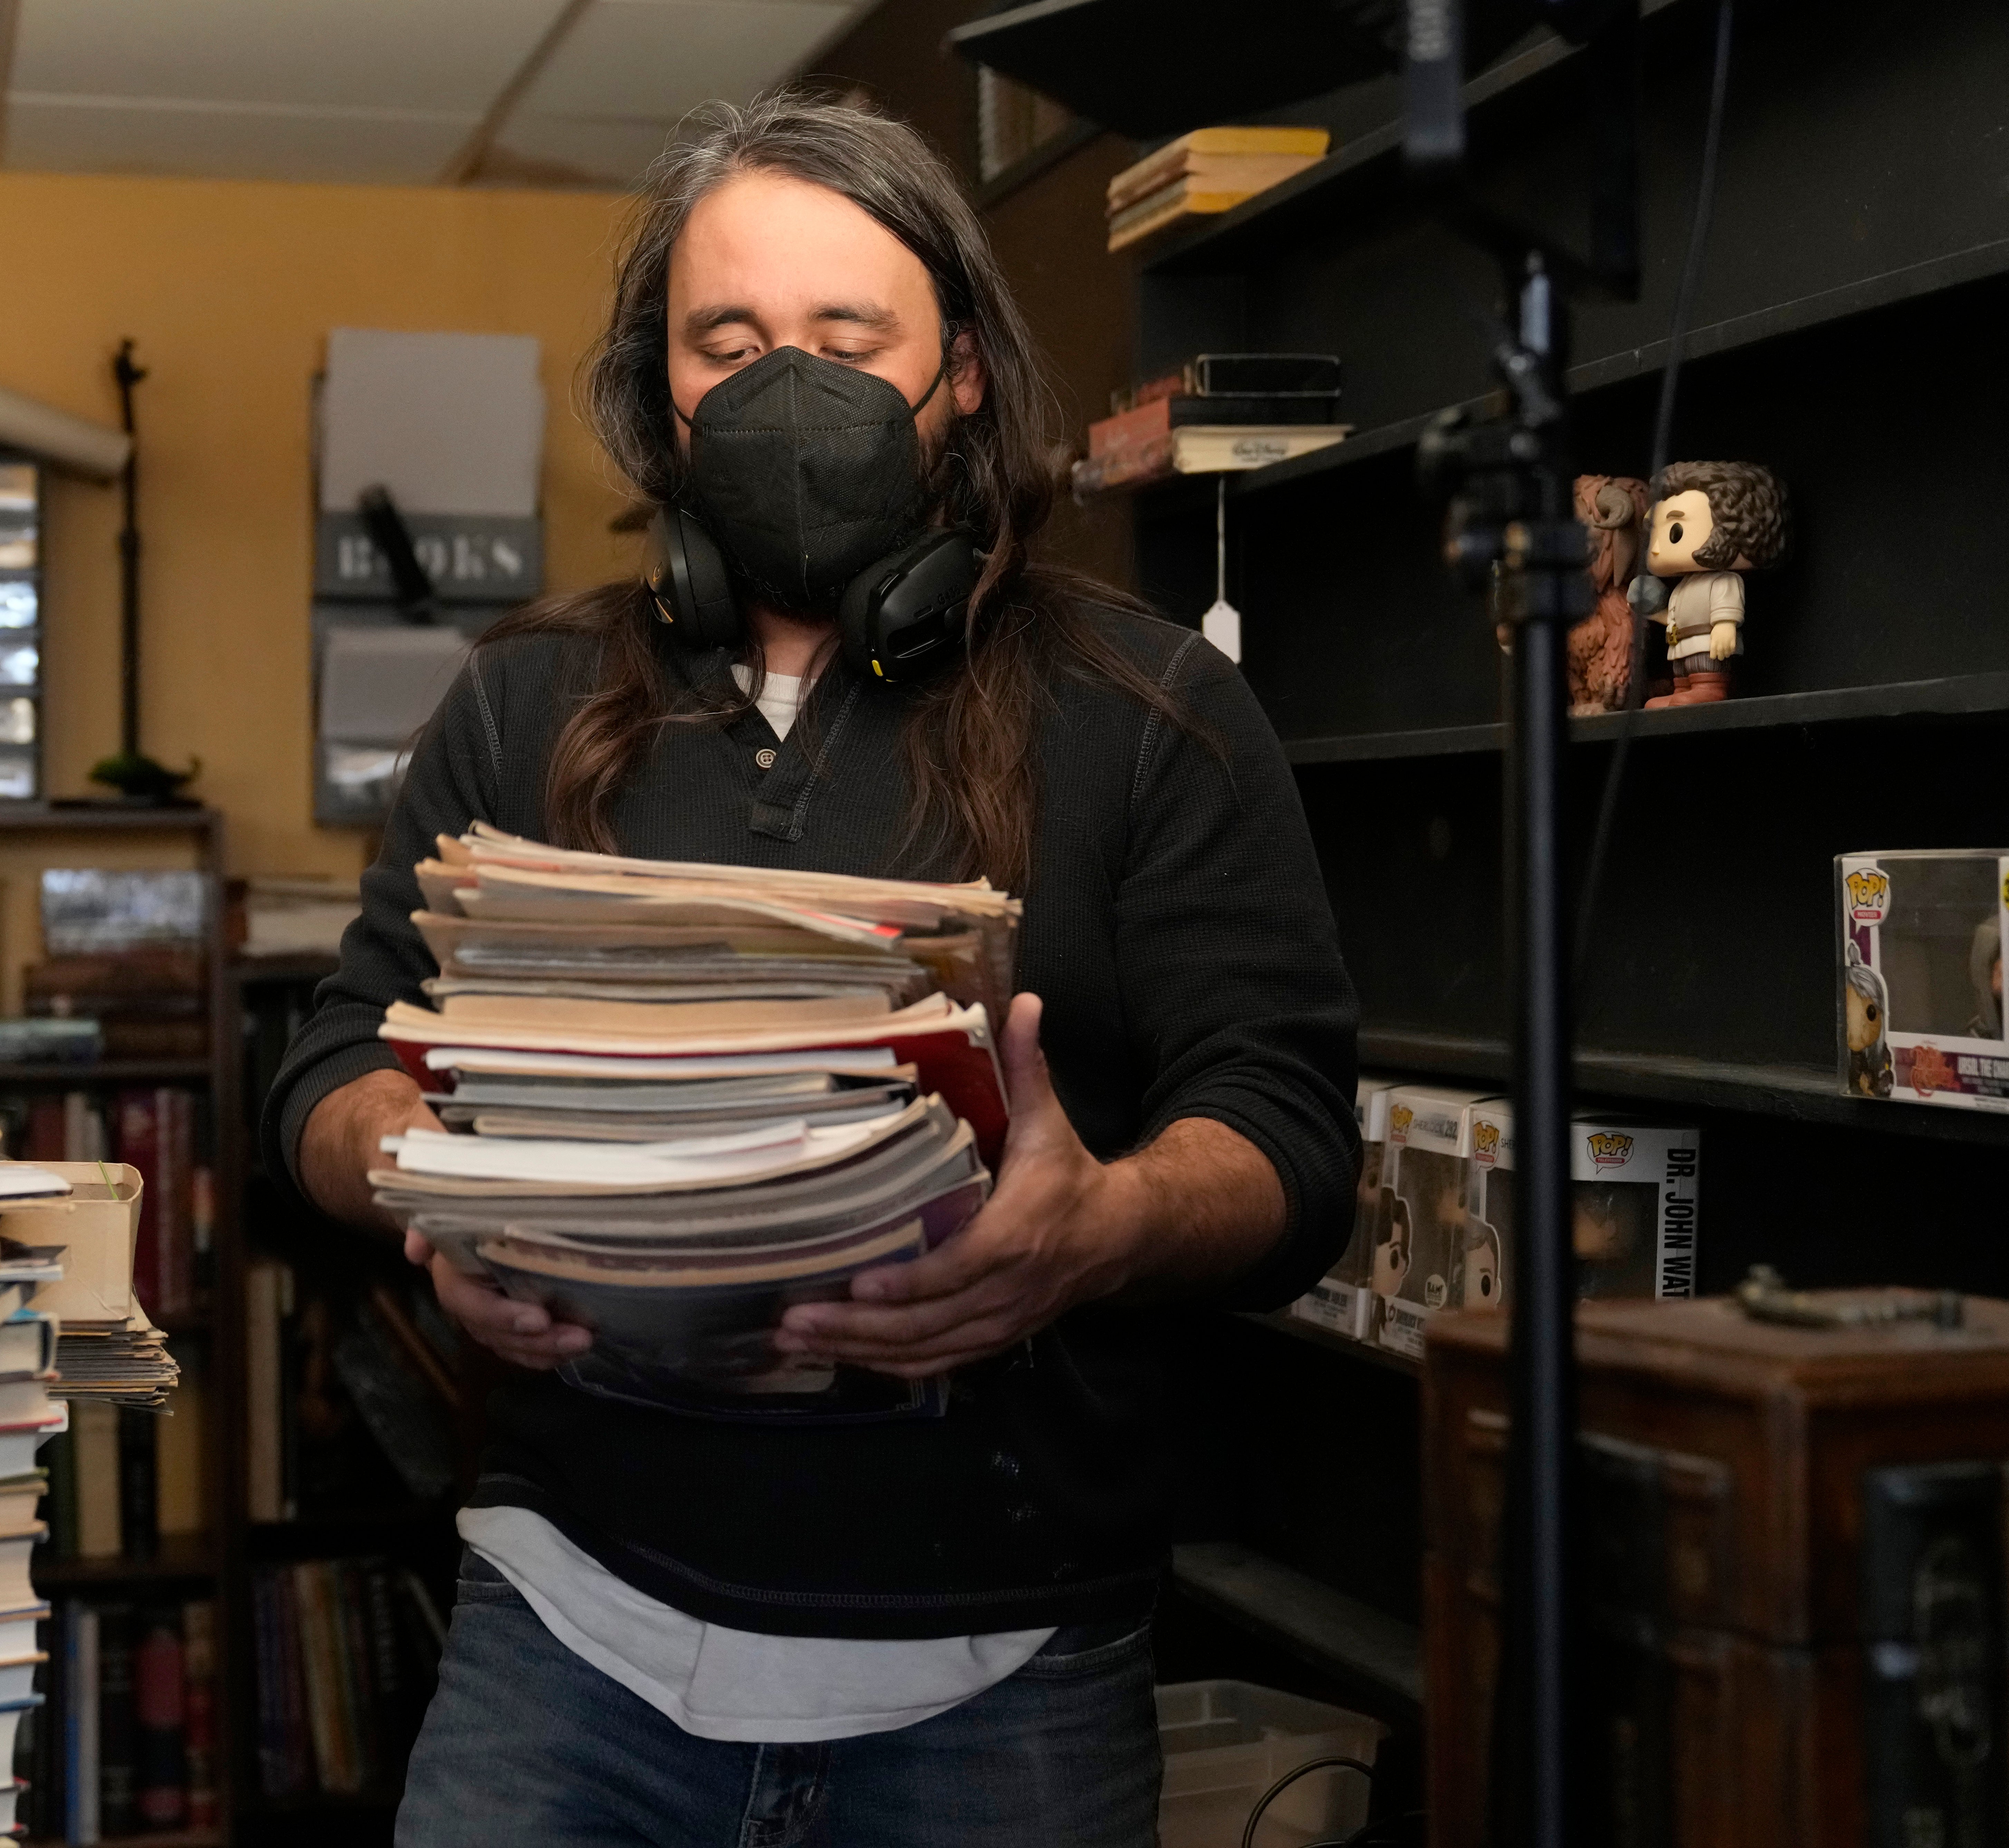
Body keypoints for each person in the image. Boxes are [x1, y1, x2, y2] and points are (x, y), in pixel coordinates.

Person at [265, 90, 1359, 1848]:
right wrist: (432, 1184)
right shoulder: (519, 699)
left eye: (851, 339)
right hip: (565, 1647)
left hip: (1009, 1683)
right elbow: (329, 1068)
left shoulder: (1155, 709)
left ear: (966, 374)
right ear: (663, 387)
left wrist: (1107, 1223)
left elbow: (1294, 1137)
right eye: (733, 340)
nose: (792, 387)